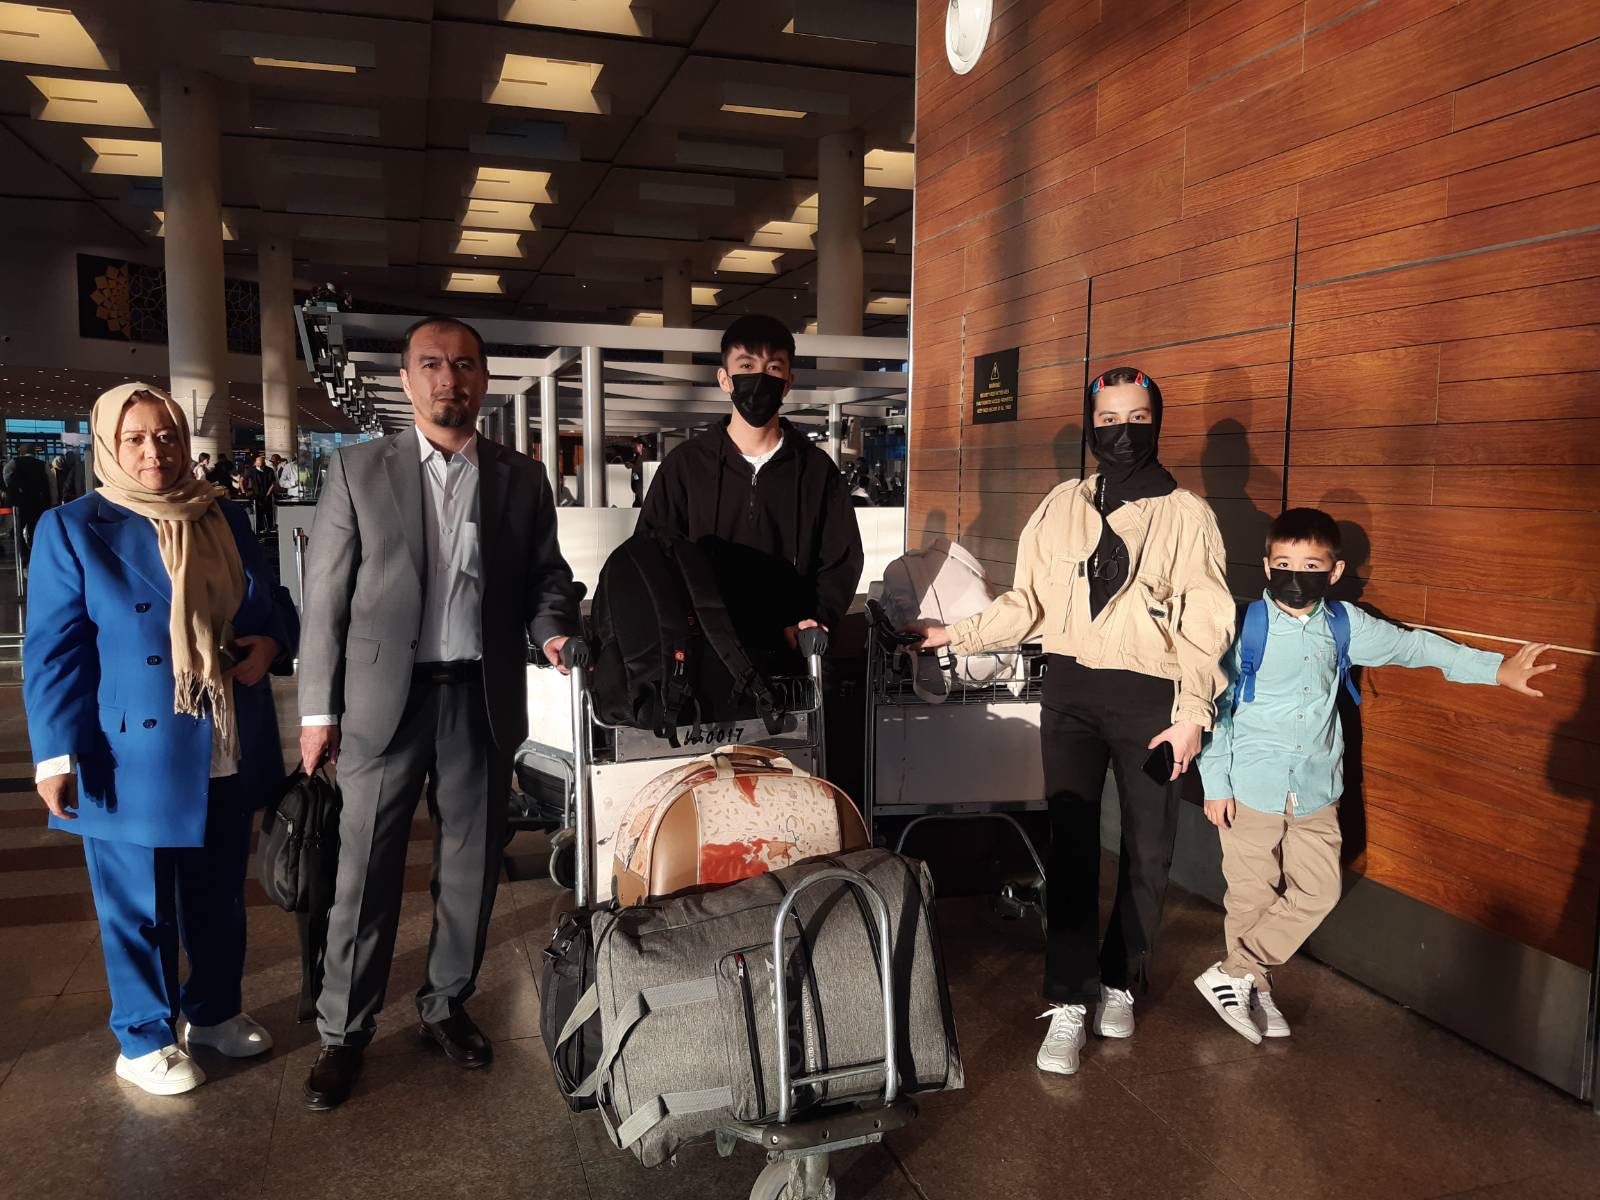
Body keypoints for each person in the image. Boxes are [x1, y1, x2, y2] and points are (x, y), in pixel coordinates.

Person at [909, 366, 1235, 1075]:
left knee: (1148, 852)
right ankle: (1067, 998)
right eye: (1109, 417)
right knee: (1073, 848)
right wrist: (955, 637)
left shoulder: (1187, 515)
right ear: (1092, 425)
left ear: (1158, 421)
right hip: (1070, 696)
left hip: (1151, 702)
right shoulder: (1060, 505)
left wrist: (1192, 715)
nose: (1123, 430)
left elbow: (1207, 626)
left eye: (1138, 417)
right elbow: (1028, 602)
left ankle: (1121, 977)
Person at [297, 316, 581, 1111]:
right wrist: (316, 712)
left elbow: (545, 580)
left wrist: (554, 632)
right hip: (382, 705)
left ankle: (442, 1006)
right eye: (431, 364)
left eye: (463, 365)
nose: (447, 378)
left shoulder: (520, 480)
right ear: (407, 379)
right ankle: (342, 1034)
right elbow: (322, 601)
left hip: (479, 699)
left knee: (468, 871)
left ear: (483, 380)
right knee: (364, 874)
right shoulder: (359, 470)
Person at [23, 383, 297, 1095]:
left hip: (225, 734)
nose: (155, 451)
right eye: (137, 438)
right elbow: (54, 652)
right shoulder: (75, 526)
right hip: (129, 750)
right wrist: (54, 754)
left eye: (167, 436)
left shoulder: (226, 516)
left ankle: (211, 1013)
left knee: (218, 895)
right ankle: (142, 1037)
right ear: (109, 446)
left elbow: (272, 604)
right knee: (139, 906)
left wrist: (271, 641)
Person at [1192, 507, 1556, 1042]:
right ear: (1267, 566)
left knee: (1317, 891)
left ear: (1333, 572)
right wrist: (1215, 783)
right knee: (1251, 895)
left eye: (1311, 565)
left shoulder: (1344, 624)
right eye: (1285, 563)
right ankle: (1255, 986)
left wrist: (1496, 671)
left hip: (1317, 788)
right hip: (1249, 785)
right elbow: (1210, 706)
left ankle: (1235, 973)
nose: (1297, 575)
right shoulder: (1241, 625)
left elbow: (1414, 647)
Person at [639, 314, 864, 669]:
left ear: (789, 381)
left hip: (789, 649)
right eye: (746, 365)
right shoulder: (686, 466)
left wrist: (820, 617)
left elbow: (840, 558)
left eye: (773, 368)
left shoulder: (816, 471)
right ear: (725, 379)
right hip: (704, 651)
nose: (760, 379)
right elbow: (654, 549)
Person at [4, 448, 53, 564]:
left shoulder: (14, 462)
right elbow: (51, 483)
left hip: (20, 503)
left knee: (16, 530)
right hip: (38, 503)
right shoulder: (42, 464)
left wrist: (12, 489)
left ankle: (23, 552)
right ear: (34, 453)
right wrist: (52, 501)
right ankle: (34, 553)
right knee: (34, 530)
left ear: (21, 452)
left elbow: (6, 475)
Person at [251, 452, 277, 535]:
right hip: (257, 495)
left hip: (267, 494)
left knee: (269, 512)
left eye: (262, 464)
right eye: (259, 464)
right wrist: (245, 491)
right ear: (256, 464)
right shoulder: (252, 470)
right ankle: (260, 529)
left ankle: (270, 528)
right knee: (259, 513)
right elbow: (242, 479)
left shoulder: (269, 470)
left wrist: (268, 493)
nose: (260, 466)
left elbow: (273, 483)